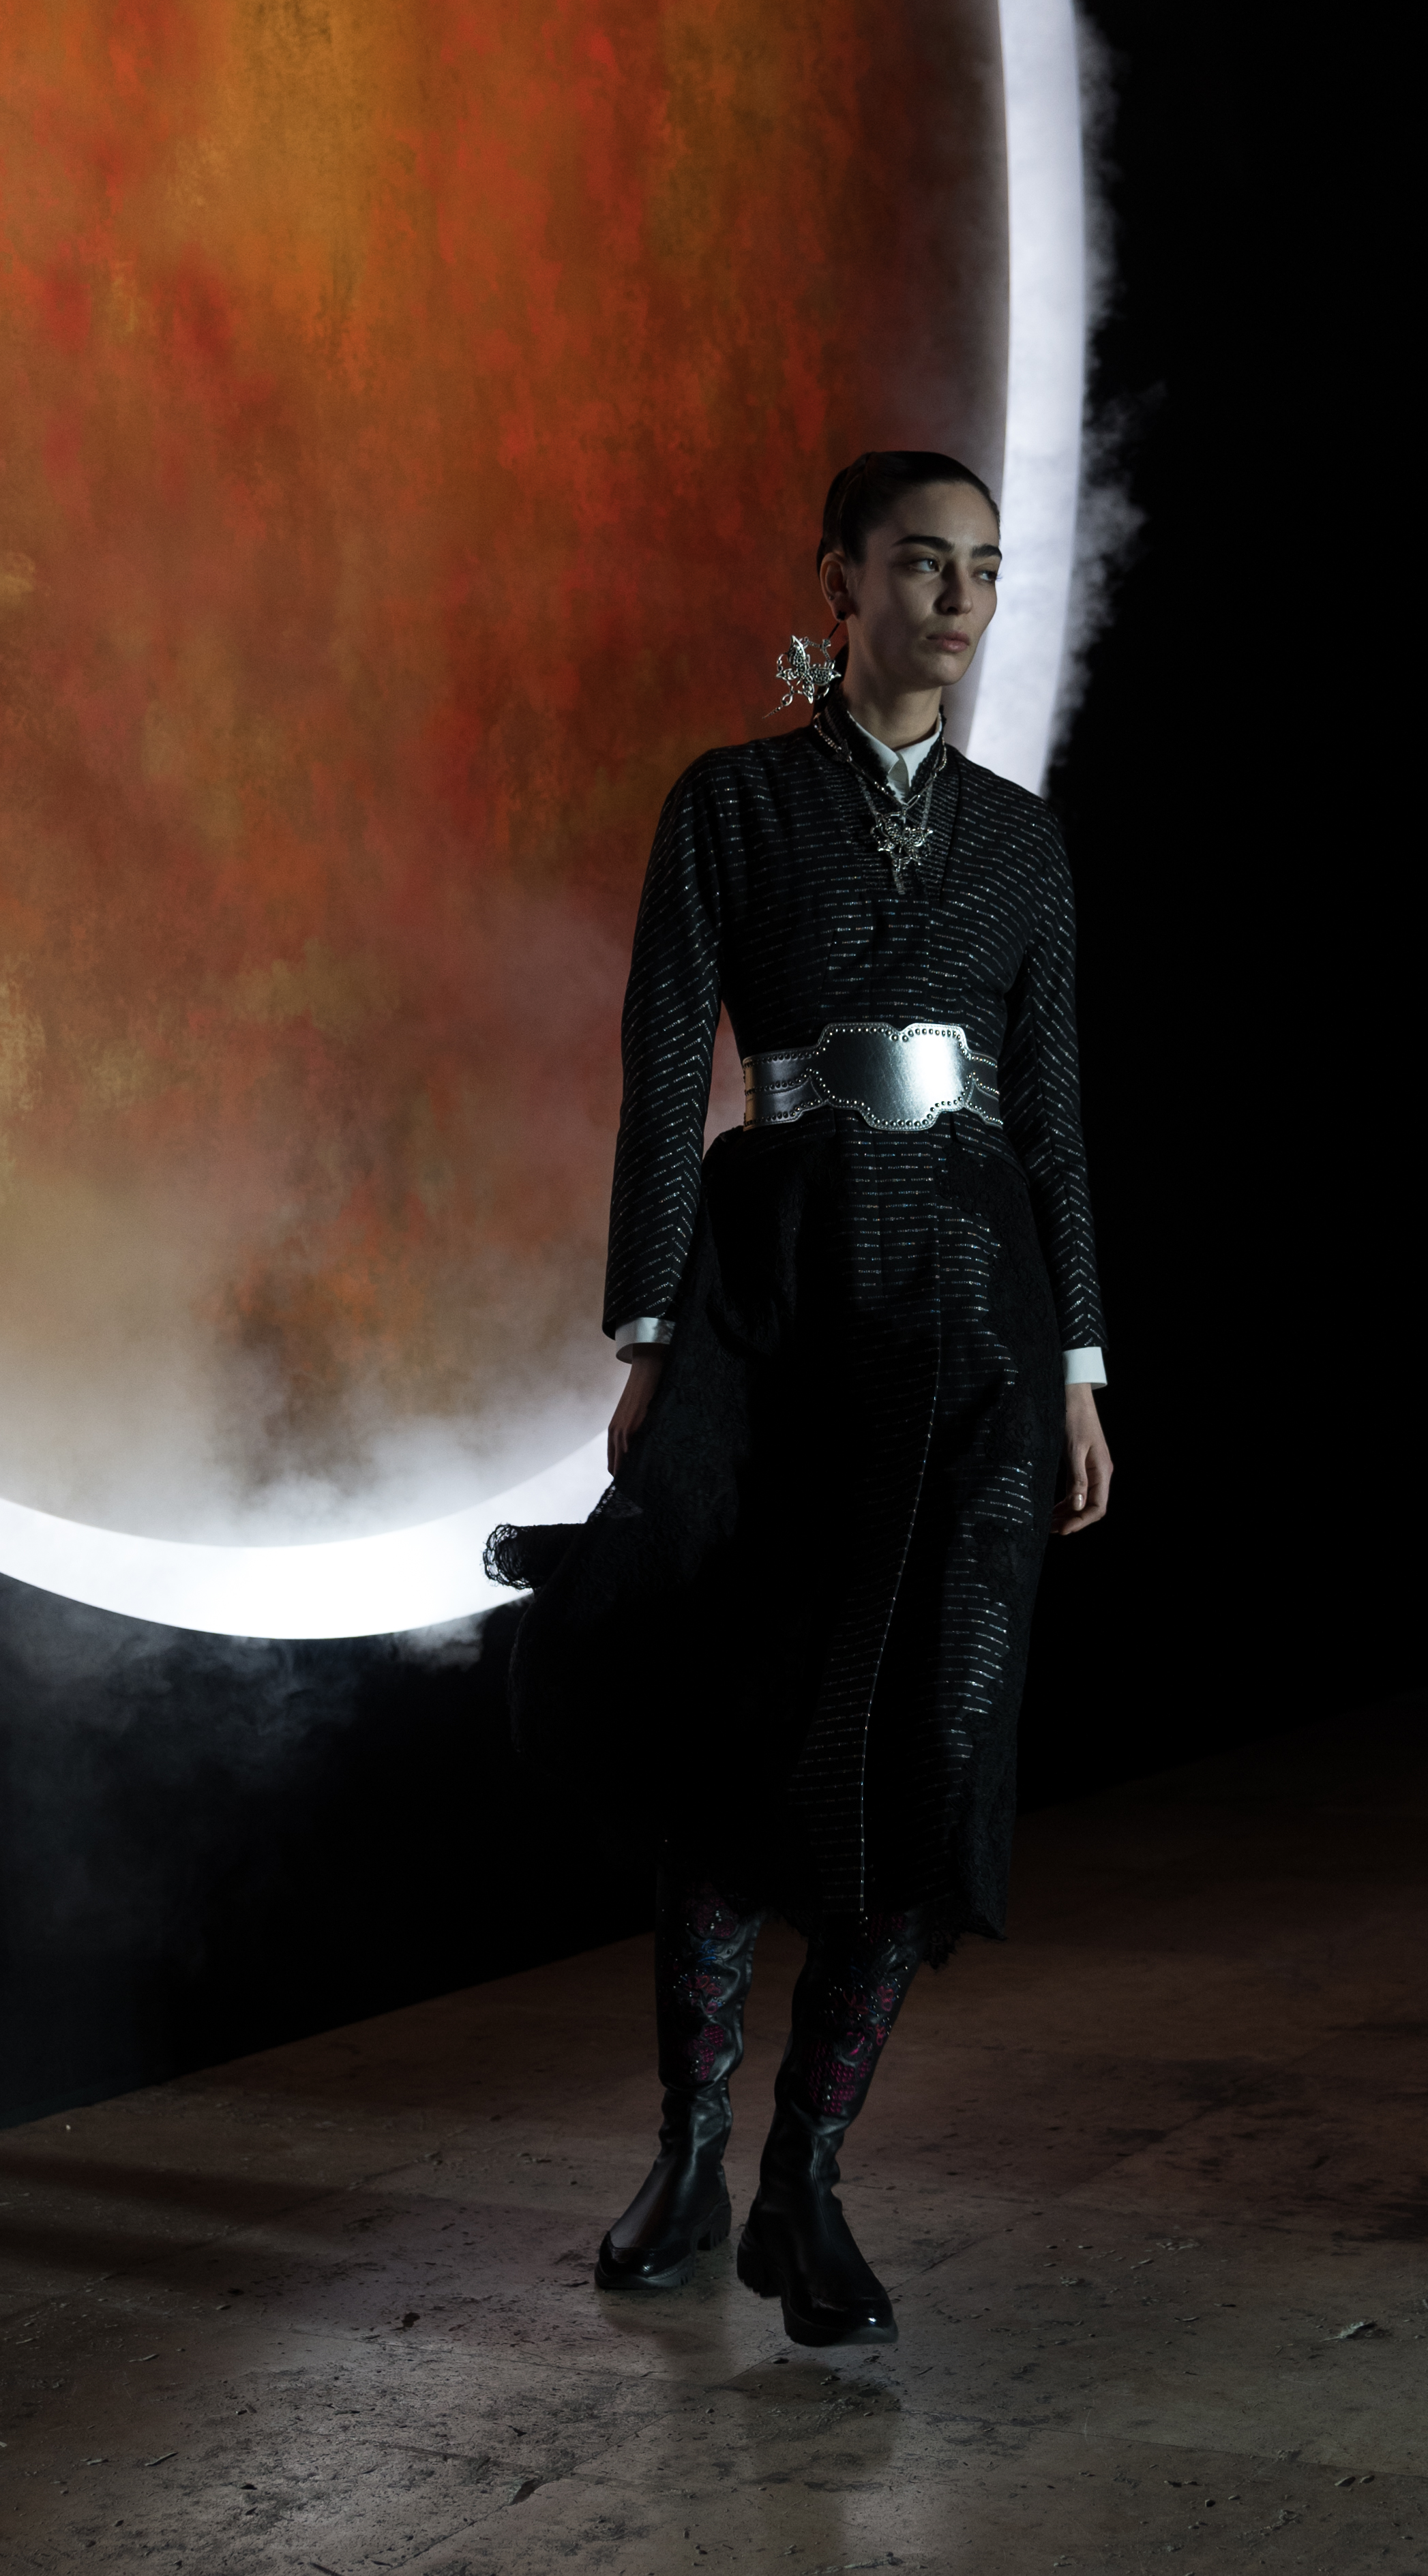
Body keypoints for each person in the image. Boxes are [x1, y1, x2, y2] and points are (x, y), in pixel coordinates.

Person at [490, 450, 1111, 2350]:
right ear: (838, 583)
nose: (961, 598)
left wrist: (1082, 1367)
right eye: (922, 563)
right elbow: (665, 1063)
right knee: (732, 1729)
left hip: (980, 1321)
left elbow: (1057, 1115)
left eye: (984, 567)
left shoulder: (1023, 843)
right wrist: (648, 1339)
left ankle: (805, 2180)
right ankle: (690, 2149)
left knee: (935, 1741)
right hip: (776, 1301)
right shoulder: (734, 804)